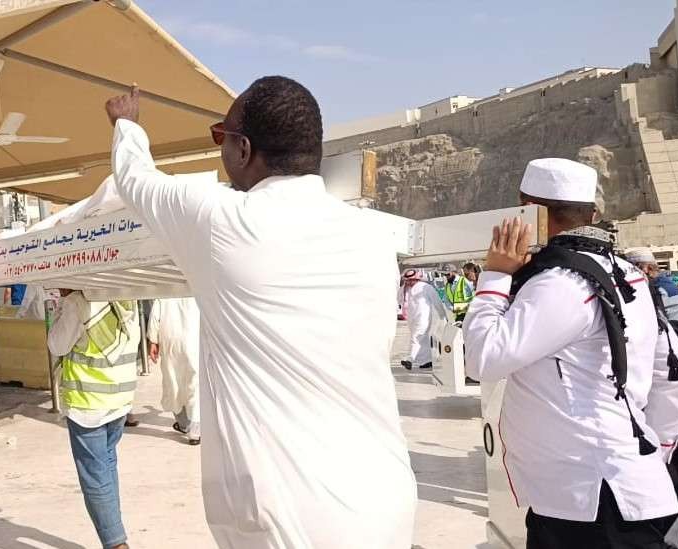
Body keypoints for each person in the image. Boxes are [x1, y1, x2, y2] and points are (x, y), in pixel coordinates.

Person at [105, 77, 415, 548]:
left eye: (220, 137)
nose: (220, 151)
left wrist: (127, 125)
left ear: (243, 149)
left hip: (291, 523)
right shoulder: (373, 239)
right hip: (385, 502)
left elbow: (136, 180)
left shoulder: (222, 222)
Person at [463, 158, 678, 548]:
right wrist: (653, 450)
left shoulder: (561, 282)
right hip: (620, 491)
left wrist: (496, 274)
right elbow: (675, 374)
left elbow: (483, 358)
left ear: (529, 210)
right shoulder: (627, 273)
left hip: (585, 501)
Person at [47, 289, 138, 549]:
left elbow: (56, 344)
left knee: (95, 478)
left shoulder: (77, 302)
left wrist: (63, 305)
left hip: (88, 404)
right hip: (119, 398)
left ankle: (116, 544)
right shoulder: (125, 294)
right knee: (107, 467)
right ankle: (115, 530)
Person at [147, 297, 201, 445]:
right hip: (193, 337)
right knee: (195, 383)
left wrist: (153, 340)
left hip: (169, 338)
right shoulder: (196, 282)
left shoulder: (165, 284)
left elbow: (155, 314)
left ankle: (183, 424)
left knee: (173, 382)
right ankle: (195, 429)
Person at [624, 248, 678, 325]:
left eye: (632, 271)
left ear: (645, 269)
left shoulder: (660, 290)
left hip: (677, 334)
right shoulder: (662, 282)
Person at [400, 268, 447, 369]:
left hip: (423, 319)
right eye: (407, 280)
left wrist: (443, 315)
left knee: (416, 338)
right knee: (422, 340)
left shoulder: (426, 287)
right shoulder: (405, 289)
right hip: (411, 319)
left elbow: (437, 301)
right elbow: (399, 299)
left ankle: (410, 359)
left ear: (416, 279)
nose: (409, 282)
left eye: (411, 280)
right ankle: (427, 361)